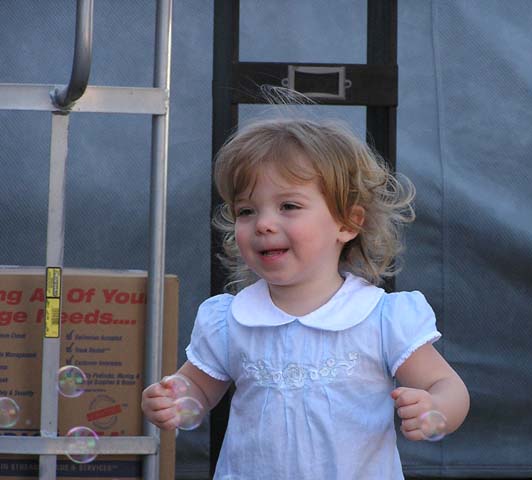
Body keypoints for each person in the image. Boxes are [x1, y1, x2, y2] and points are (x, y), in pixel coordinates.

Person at [141, 117, 470, 479]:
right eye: (246, 210)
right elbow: (199, 391)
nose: (263, 223)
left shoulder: (380, 317)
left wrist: (435, 407)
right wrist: (174, 399)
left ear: (347, 223)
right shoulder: (230, 319)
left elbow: (447, 386)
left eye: (289, 206)